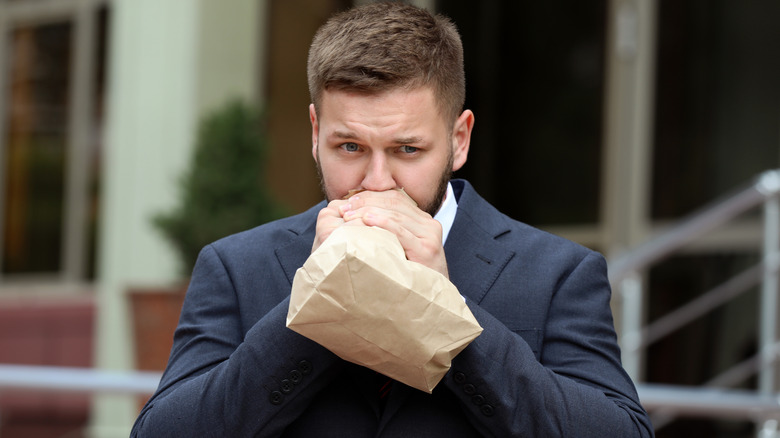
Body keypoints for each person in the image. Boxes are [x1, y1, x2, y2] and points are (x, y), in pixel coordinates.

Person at [131, 2, 654, 437]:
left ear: (459, 138)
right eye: (350, 146)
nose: (377, 181)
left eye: (407, 149)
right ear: (316, 133)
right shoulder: (235, 266)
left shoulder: (559, 273)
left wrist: (449, 316)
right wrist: (319, 303)